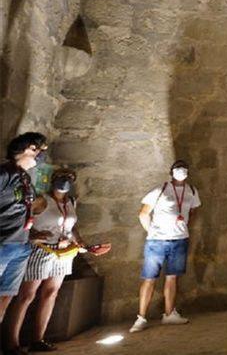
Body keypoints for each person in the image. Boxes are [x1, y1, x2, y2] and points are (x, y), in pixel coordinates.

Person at [5, 169, 110, 353]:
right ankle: (11, 343)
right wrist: (34, 234)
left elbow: (72, 226)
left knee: (51, 293)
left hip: (64, 252)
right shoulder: (42, 200)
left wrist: (81, 242)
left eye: (70, 178)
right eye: (62, 177)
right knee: (26, 296)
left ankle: (38, 338)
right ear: (52, 179)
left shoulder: (70, 202)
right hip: (41, 250)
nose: (66, 180)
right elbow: (23, 219)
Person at [130, 160, 201, 332]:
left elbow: (194, 210)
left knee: (172, 277)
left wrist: (185, 227)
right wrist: (151, 232)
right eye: (178, 168)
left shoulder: (191, 191)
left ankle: (169, 314)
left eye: (184, 168)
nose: (181, 171)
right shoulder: (160, 190)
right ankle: (141, 317)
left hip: (179, 239)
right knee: (149, 278)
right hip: (157, 241)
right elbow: (143, 213)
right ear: (171, 172)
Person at [0, 133, 50, 330]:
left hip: (20, 245)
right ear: (29, 149)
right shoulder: (4, 174)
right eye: (39, 150)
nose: (41, 156)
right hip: (2, 243)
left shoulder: (25, 178)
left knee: (5, 297)